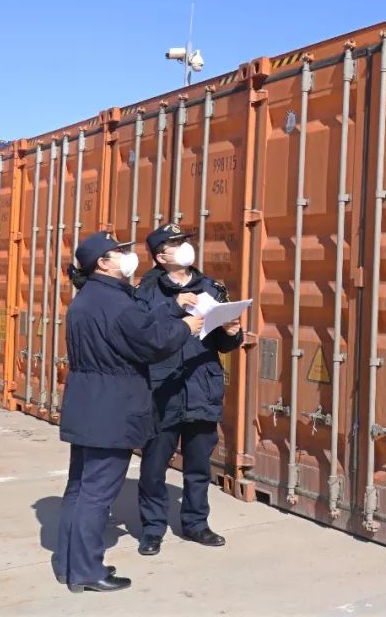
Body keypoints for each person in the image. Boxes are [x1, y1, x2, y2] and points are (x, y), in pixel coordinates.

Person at [55, 232, 203, 593]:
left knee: (79, 487)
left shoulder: (89, 298)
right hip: (112, 407)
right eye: (119, 251)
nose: (127, 255)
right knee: (97, 493)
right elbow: (151, 342)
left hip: (86, 403)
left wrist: (172, 308)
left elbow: (137, 323)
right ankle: (87, 571)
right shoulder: (115, 302)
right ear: (103, 263)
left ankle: (70, 563)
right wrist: (185, 327)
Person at [135, 224, 243, 556]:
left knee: (198, 466)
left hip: (201, 386)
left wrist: (232, 332)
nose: (184, 247)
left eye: (184, 241)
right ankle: (152, 529)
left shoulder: (210, 287)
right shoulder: (146, 291)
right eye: (175, 243)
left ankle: (196, 524)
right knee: (154, 466)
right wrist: (173, 306)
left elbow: (223, 344)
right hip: (161, 391)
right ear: (160, 256)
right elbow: (139, 336)